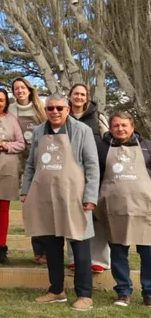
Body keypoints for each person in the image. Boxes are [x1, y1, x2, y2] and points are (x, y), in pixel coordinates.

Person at [21, 93, 100, 311]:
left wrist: (90, 196)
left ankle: (85, 294)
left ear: (67, 109)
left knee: (80, 245)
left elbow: (92, 166)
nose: (54, 112)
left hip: (75, 196)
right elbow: (30, 165)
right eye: (50, 109)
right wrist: (25, 190)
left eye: (59, 108)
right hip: (45, 196)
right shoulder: (39, 131)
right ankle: (57, 290)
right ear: (45, 111)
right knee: (52, 246)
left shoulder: (82, 131)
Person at [96, 111, 151, 307]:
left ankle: (149, 293)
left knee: (148, 253)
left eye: (124, 125)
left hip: (145, 208)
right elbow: (95, 174)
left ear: (132, 127)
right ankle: (123, 292)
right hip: (115, 208)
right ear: (110, 128)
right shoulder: (102, 148)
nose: (120, 129)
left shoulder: (146, 147)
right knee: (119, 253)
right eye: (116, 125)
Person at [67, 83, 110, 273]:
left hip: (96, 172)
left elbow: (109, 138)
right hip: (69, 175)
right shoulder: (63, 116)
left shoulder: (97, 116)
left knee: (97, 217)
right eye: (75, 94)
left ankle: (99, 259)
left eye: (82, 94)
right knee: (71, 216)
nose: (79, 97)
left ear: (87, 97)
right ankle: (74, 257)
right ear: (69, 96)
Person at [9, 78, 48, 264]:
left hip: (42, 162)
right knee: (31, 207)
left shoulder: (41, 108)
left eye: (22, 87)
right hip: (20, 162)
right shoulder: (10, 110)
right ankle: (38, 250)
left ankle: (48, 251)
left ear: (29, 89)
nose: (19, 91)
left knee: (45, 207)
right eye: (16, 89)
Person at [0, 88, 25, 264]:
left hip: (7, 166)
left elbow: (21, 144)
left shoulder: (12, 120)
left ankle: (1, 247)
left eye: (1, 100)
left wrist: (5, 146)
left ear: (6, 103)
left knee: (3, 209)